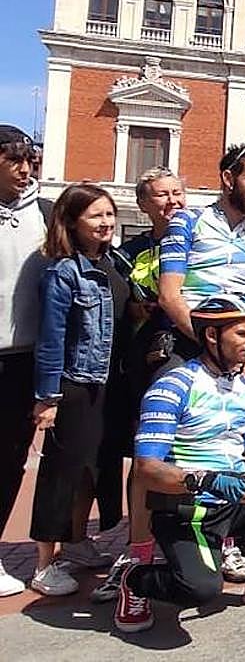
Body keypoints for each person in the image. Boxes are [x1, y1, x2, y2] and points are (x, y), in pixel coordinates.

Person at [113, 294, 245, 633]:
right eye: (242, 334)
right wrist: (206, 480)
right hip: (187, 510)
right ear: (212, 336)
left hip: (235, 503)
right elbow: (146, 470)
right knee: (201, 590)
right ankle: (135, 580)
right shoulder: (173, 386)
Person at [91, 167, 188, 603]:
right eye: (162, 195)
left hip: (197, 360)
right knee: (148, 455)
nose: (172, 201)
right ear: (144, 204)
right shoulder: (126, 253)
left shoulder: (201, 241)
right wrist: (134, 309)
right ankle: (137, 551)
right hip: (146, 362)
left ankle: (212, 542)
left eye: (178, 192)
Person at [27, 185, 127, 597]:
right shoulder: (63, 271)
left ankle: (76, 541)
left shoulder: (113, 261)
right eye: (95, 216)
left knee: (95, 468)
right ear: (71, 222)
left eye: (108, 214)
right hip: (75, 383)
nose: (105, 223)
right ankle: (43, 563)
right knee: (61, 473)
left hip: (109, 383)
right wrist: (48, 398)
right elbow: (52, 338)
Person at [157, 144, 245, 367]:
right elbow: (169, 296)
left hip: (236, 350)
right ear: (229, 179)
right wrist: (211, 344)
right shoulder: (187, 222)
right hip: (186, 342)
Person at [0, 125, 50, 596]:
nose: (25, 168)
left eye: (30, 159)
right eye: (13, 159)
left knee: (11, 456)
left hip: (23, 359)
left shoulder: (47, 216)